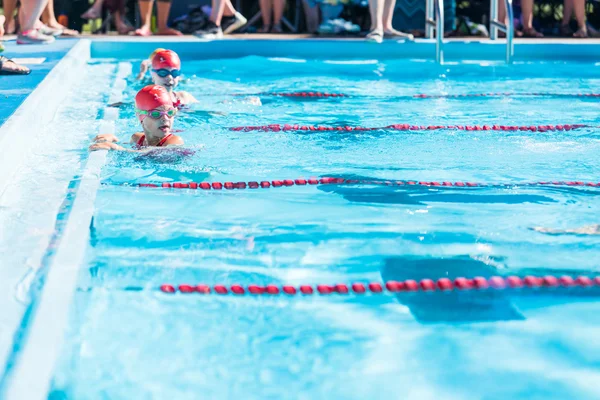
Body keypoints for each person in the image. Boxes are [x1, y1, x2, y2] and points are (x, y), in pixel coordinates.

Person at [90, 85, 183, 151]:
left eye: (170, 112)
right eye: (155, 114)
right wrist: (114, 140)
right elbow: (129, 148)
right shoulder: (137, 138)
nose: (165, 118)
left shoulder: (174, 142)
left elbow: (149, 153)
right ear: (140, 117)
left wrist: (116, 147)